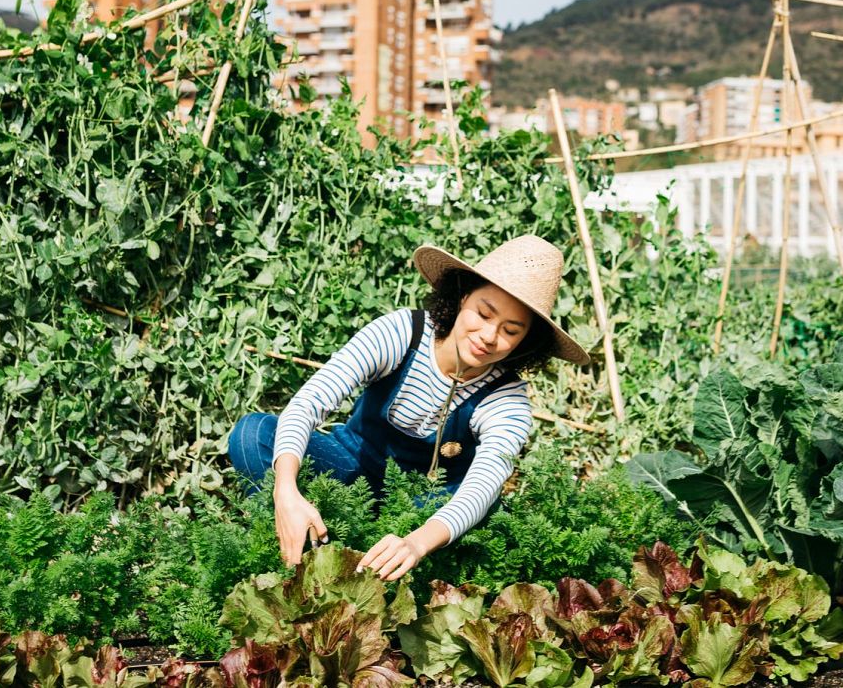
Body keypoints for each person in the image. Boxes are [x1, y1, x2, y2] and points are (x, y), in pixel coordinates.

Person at [227, 235, 590, 582]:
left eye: (511, 331)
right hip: (351, 466)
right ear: (463, 297)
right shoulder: (404, 332)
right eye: (483, 313)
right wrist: (286, 490)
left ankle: (372, 557)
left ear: (526, 342)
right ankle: (295, 534)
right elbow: (309, 402)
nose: (489, 336)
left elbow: (484, 483)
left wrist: (417, 543)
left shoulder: (506, 398)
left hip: (424, 504)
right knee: (253, 434)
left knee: (488, 509)